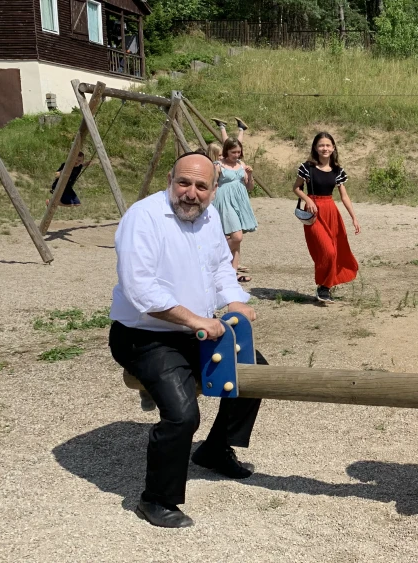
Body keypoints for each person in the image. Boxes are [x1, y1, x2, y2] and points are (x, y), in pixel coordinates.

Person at [108, 152, 266, 529]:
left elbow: (219, 268)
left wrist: (235, 301)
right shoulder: (142, 218)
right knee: (182, 414)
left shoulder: (209, 217)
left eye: (201, 186)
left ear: (214, 189)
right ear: (169, 179)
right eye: (184, 183)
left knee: (254, 372)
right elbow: (140, 290)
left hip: (194, 331)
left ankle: (214, 450)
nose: (191, 193)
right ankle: (156, 499)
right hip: (144, 336)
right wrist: (196, 319)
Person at [293, 132, 361, 304]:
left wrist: (353, 217)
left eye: (328, 145)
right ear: (315, 148)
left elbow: (344, 196)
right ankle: (323, 286)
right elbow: (296, 188)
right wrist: (307, 199)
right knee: (327, 251)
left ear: (333, 148)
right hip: (314, 213)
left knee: (335, 250)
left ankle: (325, 288)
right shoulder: (307, 167)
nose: (325, 148)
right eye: (321, 145)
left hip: (331, 211)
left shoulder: (338, 170)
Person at [211, 137, 257, 282]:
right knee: (237, 237)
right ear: (226, 151)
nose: (236, 155)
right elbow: (210, 186)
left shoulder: (241, 164)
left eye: (238, 152)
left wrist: (249, 175)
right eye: (233, 152)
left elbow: (250, 188)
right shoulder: (218, 166)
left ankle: (232, 273)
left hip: (240, 202)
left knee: (235, 240)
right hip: (224, 202)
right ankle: (213, 259)